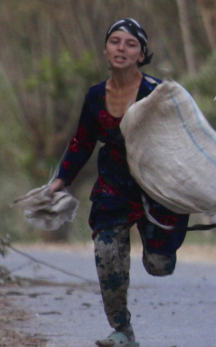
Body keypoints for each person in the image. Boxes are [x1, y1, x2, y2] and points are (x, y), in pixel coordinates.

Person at [46, 18, 189, 347]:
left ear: (142, 54)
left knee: (159, 265)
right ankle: (122, 329)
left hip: (157, 190)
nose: (121, 48)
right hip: (113, 186)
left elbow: (182, 141)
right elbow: (83, 141)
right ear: (105, 49)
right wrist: (60, 181)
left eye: (130, 44)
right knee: (107, 252)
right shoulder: (95, 96)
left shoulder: (157, 93)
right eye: (115, 41)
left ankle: (162, 249)